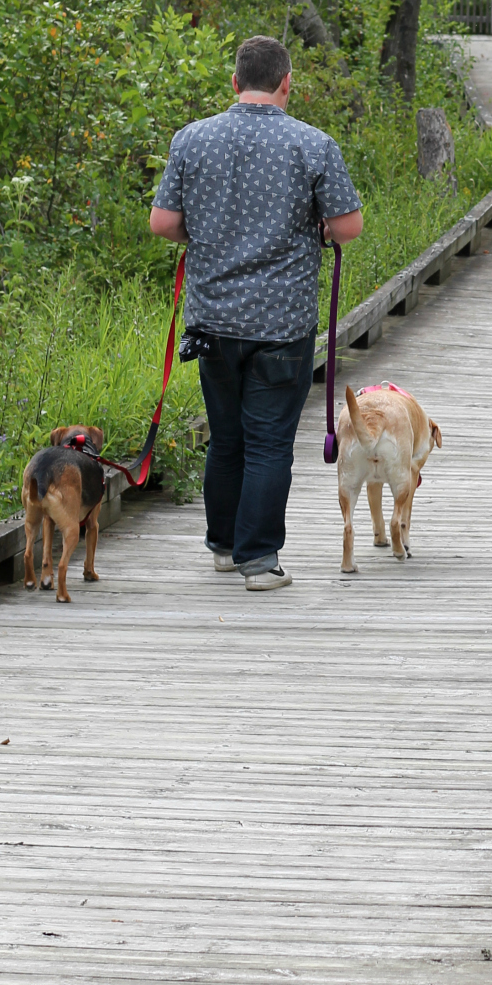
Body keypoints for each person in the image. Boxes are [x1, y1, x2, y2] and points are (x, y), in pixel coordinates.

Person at [149, 36, 363, 590]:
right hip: (281, 323)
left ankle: (223, 545)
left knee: (225, 436)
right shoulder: (313, 144)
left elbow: (163, 224)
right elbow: (347, 228)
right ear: (287, 83)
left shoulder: (191, 139)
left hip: (213, 319)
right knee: (268, 440)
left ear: (235, 83)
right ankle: (259, 560)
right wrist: (313, 229)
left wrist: (210, 235)